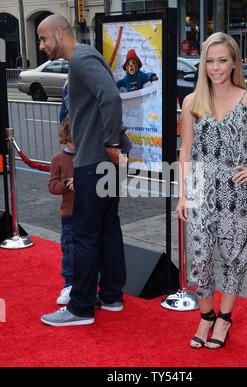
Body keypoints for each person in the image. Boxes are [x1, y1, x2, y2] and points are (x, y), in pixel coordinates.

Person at [176, 32, 247, 349]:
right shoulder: (192, 101)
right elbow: (185, 151)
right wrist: (182, 194)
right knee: (199, 259)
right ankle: (206, 317)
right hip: (199, 189)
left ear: (234, 62)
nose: (216, 67)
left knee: (234, 258)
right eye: (209, 60)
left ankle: (224, 319)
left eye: (222, 60)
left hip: (235, 192)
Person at [38, 15, 129, 327]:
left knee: (85, 234)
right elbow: (105, 98)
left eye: (44, 39)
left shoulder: (80, 58)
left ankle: (80, 308)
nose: (42, 46)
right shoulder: (87, 57)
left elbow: (112, 97)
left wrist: (112, 142)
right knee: (107, 229)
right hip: (104, 162)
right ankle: (113, 296)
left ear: (59, 33)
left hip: (94, 161)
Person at [48, 115, 74, 305]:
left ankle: (88, 284)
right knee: (69, 251)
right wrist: (66, 184)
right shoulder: (58, 158)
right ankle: (68, 285)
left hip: (88, 213)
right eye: (70, 139)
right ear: (65, 138)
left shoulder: (87, 157)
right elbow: (52, 187)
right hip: (69, 214)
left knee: (89, 251)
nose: (73, 144)